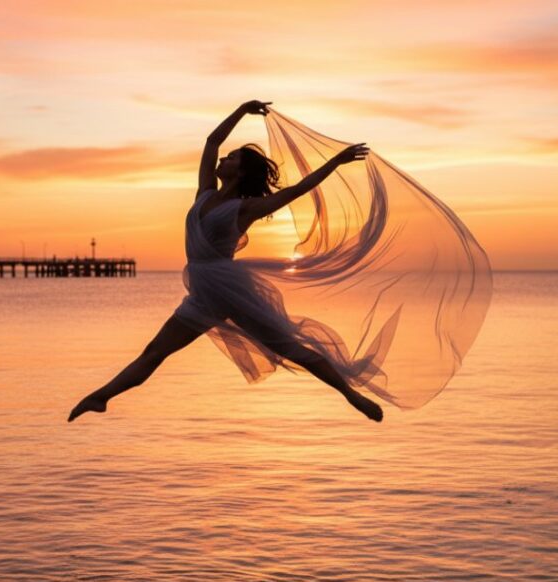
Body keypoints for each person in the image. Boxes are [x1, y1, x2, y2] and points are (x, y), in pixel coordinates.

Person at [68, 100, 385, 423]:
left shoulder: (245, 209)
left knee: (292, 349)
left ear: (242, 171)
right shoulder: (204, 193)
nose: (223, 158)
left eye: (232, 158)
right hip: (203, 295)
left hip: (229, 291)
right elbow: (211, 142)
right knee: (154, 351)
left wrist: (336, 161)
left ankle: (352, 395)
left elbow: (298, 190)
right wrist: (241, 110)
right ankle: (100, 397)